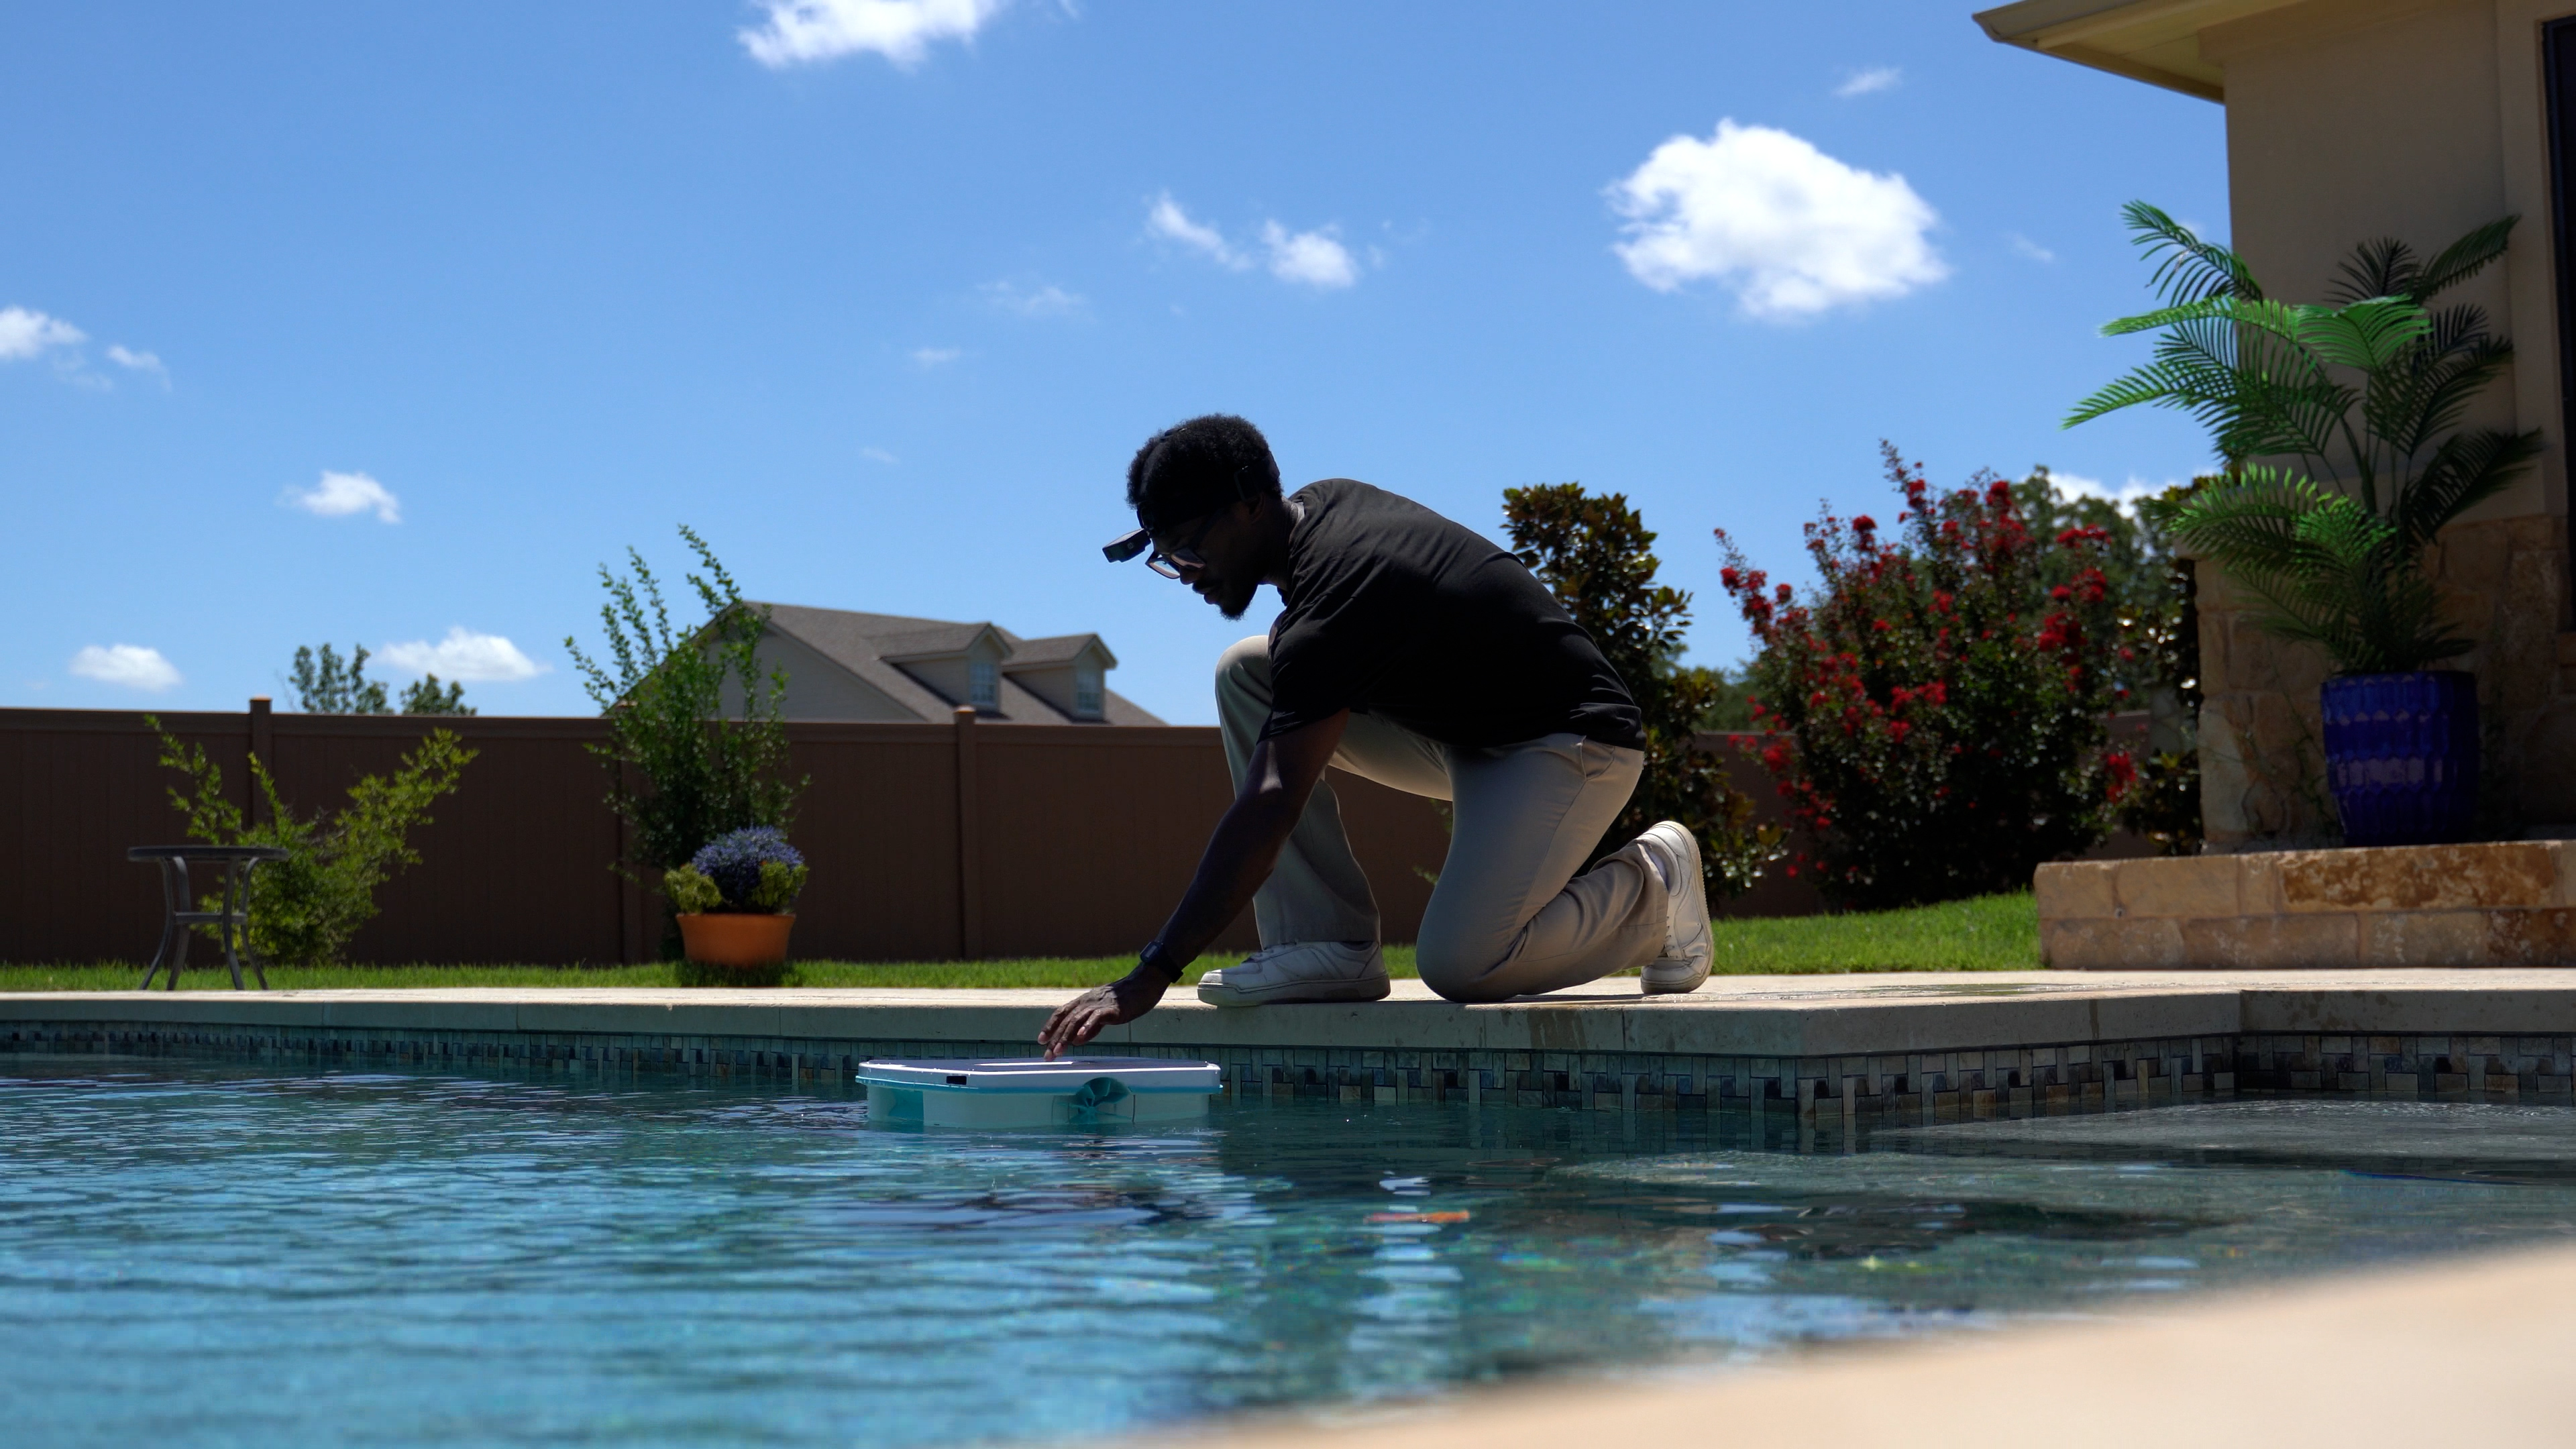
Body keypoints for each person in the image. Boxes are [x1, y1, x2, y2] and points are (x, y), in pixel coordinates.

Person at [1038, 415, 1710, 1058]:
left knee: (1464, 964)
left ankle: (1657, 885)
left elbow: (1272, 803)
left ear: (1249, 506)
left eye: (1189, 549)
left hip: (1572, 743)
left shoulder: (1337, 595)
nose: (1185, 573)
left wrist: (1153, 971)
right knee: (1248, 670)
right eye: (1166, 558)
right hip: (1468, 736)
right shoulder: (1320, 512)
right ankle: (1323, 943)